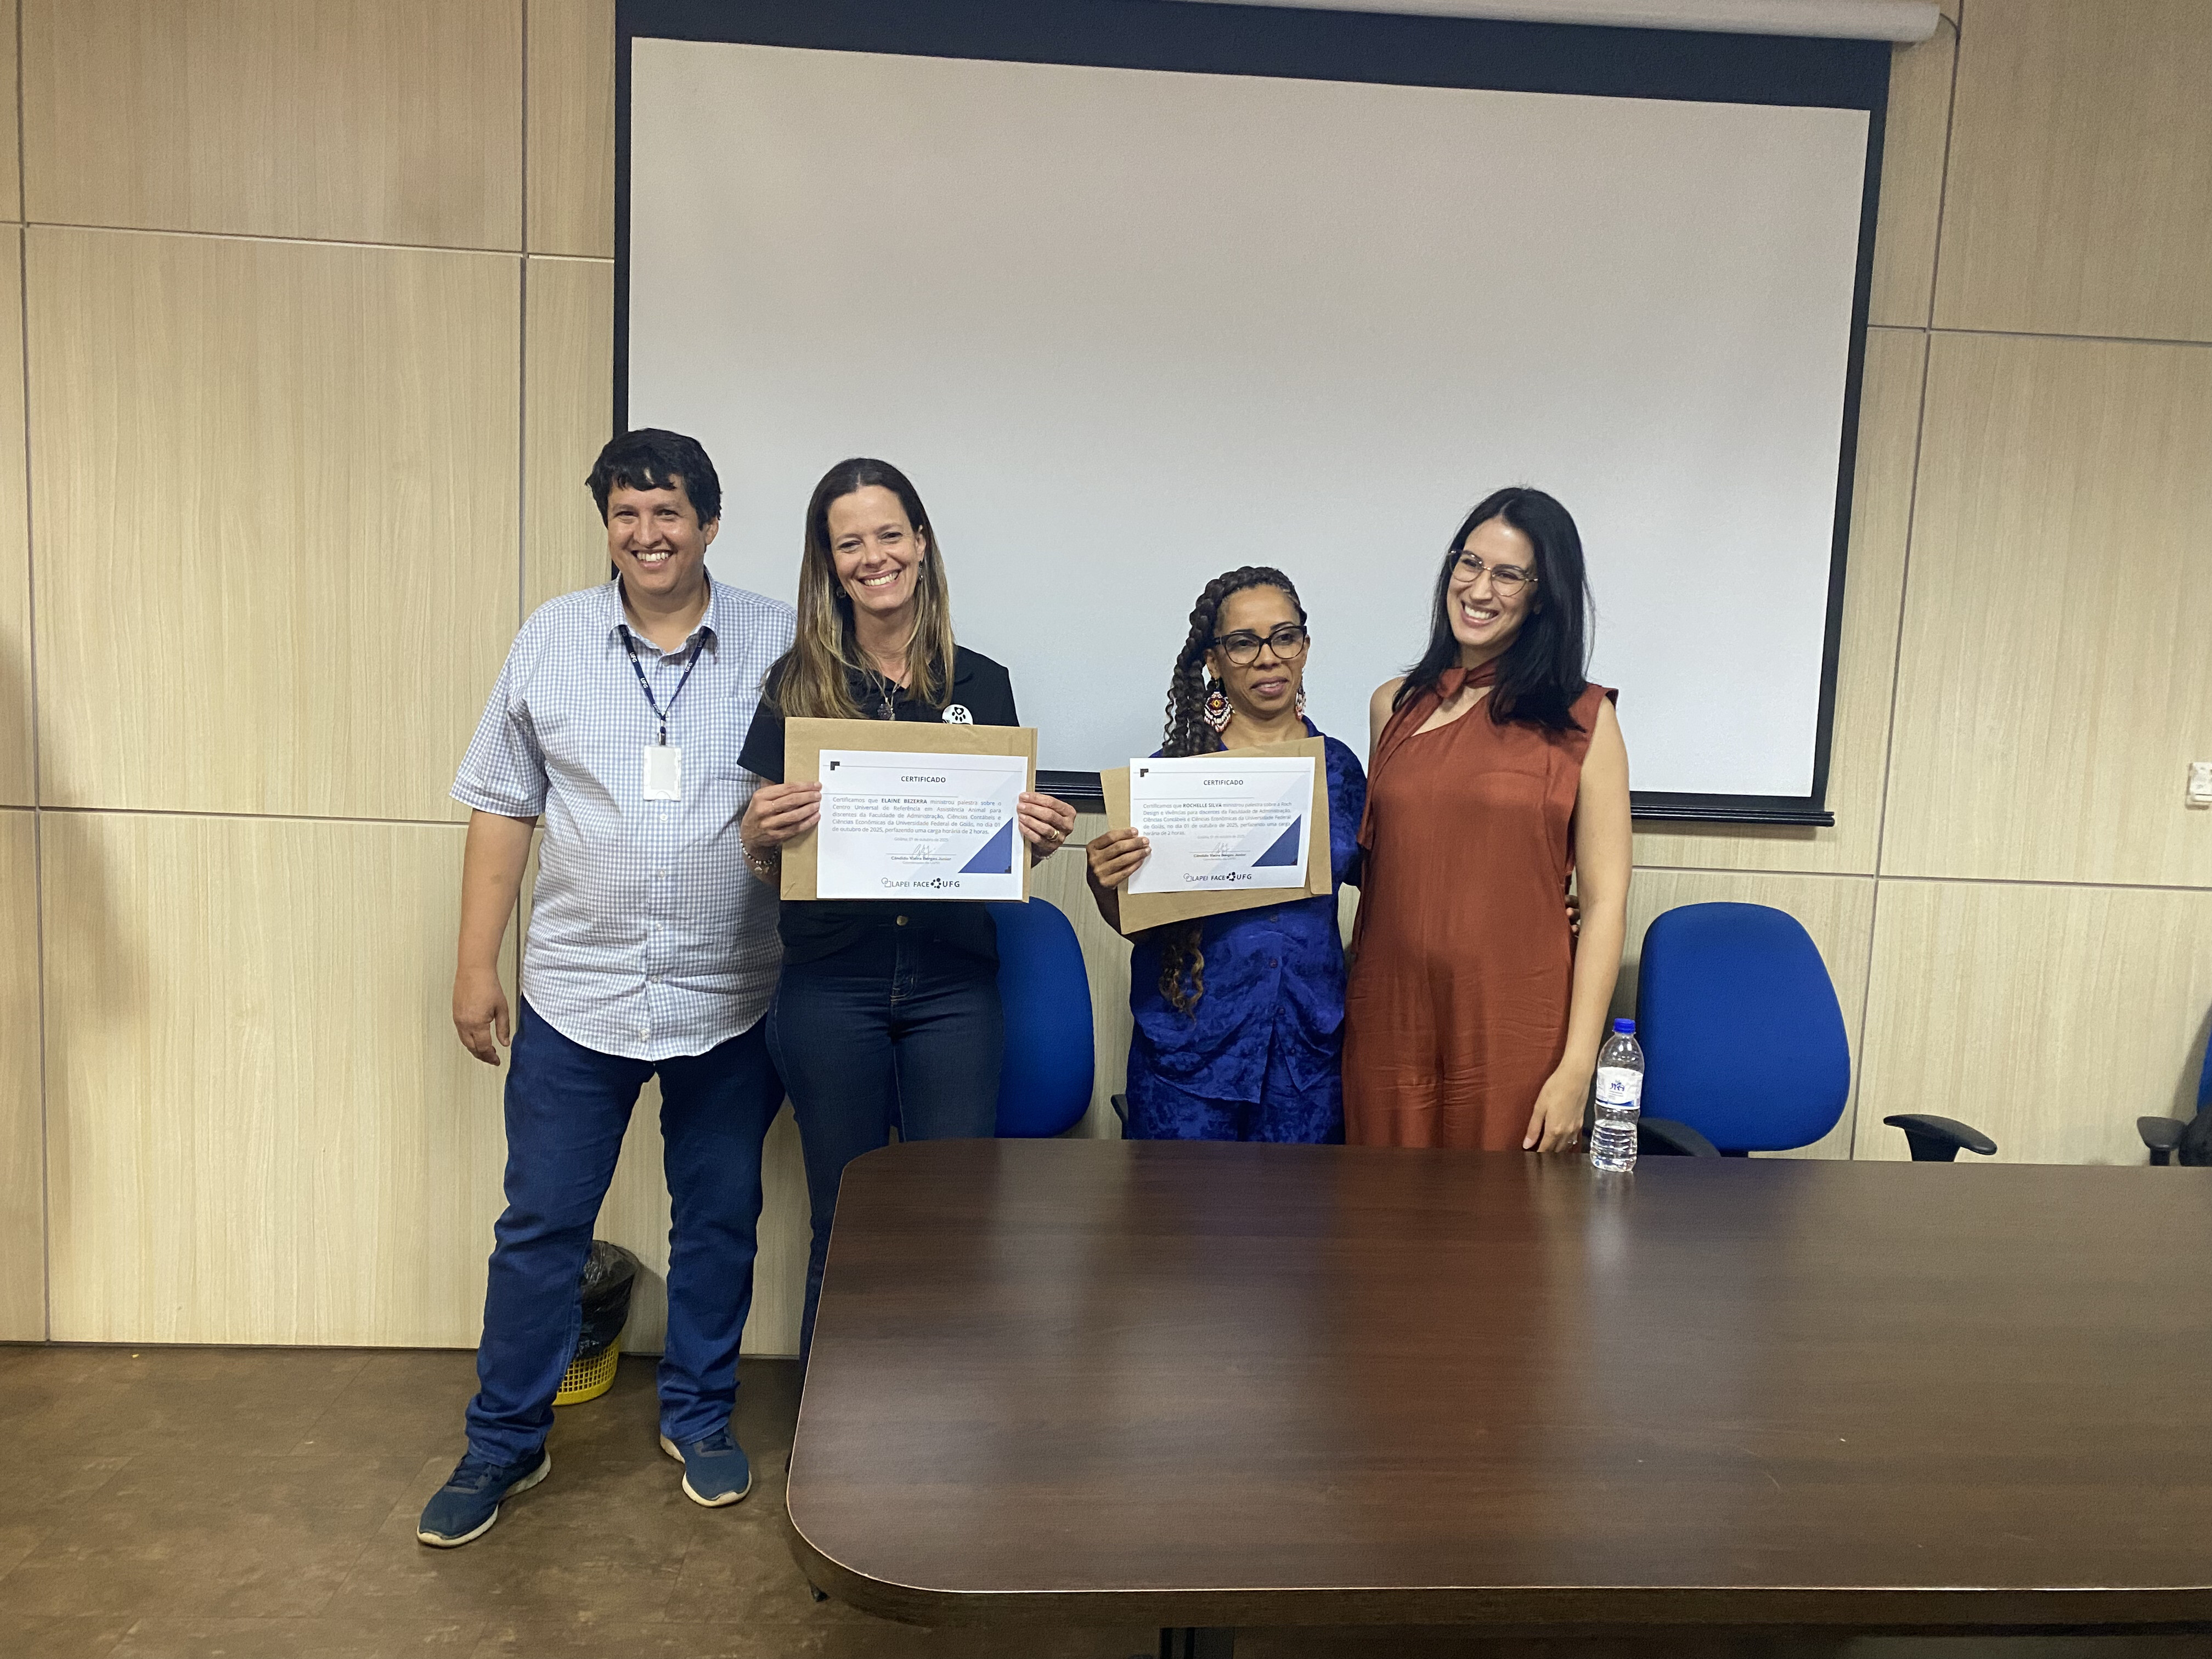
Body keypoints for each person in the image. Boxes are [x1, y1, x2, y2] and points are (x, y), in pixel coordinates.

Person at [418, 430, 794, 1548]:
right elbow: (503, 806)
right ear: (609, 527)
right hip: (577, 994)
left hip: (735, 991)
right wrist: (473, 962)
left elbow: (830, 791)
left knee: (720, 1219)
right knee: (542, 1224)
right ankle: (503, 1443)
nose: (648, 534)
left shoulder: (780, 638)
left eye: (669, 513)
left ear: (710, 525)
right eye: (627, 516)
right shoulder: (552, 639)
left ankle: (701, 1415)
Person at [735, 458, 1077, 1358]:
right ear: (828, 562)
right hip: (830, 986)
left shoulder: (984, 681)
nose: (873, 555)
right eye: (850, 542)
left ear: (921, 543)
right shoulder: (795, 685)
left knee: (950, 1221)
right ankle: (832, 1444)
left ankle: (943, 1448)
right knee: (843, 1224)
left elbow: (1000, 850)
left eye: (889, 534)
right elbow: (771, 864)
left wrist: (1033, 835)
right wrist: (756, 833)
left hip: (953, 988)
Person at [1342, 487, 1630, 1154]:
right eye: (1468, 563)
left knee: (1504, 1238)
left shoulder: (1584, 719)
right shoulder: (1395, 705)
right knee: (1380, 1232)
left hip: (1512, 1020)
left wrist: (1577, 1069)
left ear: (1543, 593)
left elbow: (1606, 903)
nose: (1479, 588)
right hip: (1388, 1015)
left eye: (1508, 574)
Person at [1084, 567, 1364, 1143]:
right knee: (1177, 1231)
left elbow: (1391, 898)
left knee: (1302, 1231)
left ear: (1305, 648)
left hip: (1306, 1060)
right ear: (1213, 661)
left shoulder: (1338, 771)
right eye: (1243, 643)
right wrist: (1103, 885)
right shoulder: (1170, 778)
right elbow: (1140, 927)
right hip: (1190, 1055)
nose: (1268, 657)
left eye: (1284, 636)